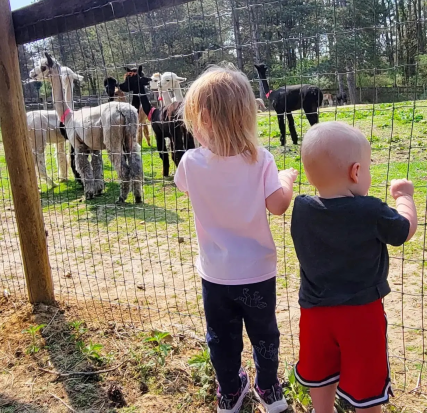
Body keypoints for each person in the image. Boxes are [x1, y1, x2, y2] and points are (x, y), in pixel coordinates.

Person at [175, 64, 297, 413]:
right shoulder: (262, 161)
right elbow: (278, 205)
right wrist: (286, 179)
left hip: (215, 274)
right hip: (257, 272)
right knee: (264, 333)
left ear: (206, 118)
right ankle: (269, 387)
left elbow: (183, 187)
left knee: (222, 338)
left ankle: (229, 392)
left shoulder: (189, 163)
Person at [291, 121, 417, 413]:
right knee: (366, 375)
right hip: (360, 314)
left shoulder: (302, 208)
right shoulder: (370, 211)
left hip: (313, 313)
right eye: (368, 169)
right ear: (356, 171)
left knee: (319, 367)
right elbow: (403, 231)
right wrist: (405, 197)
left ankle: (323, 410)